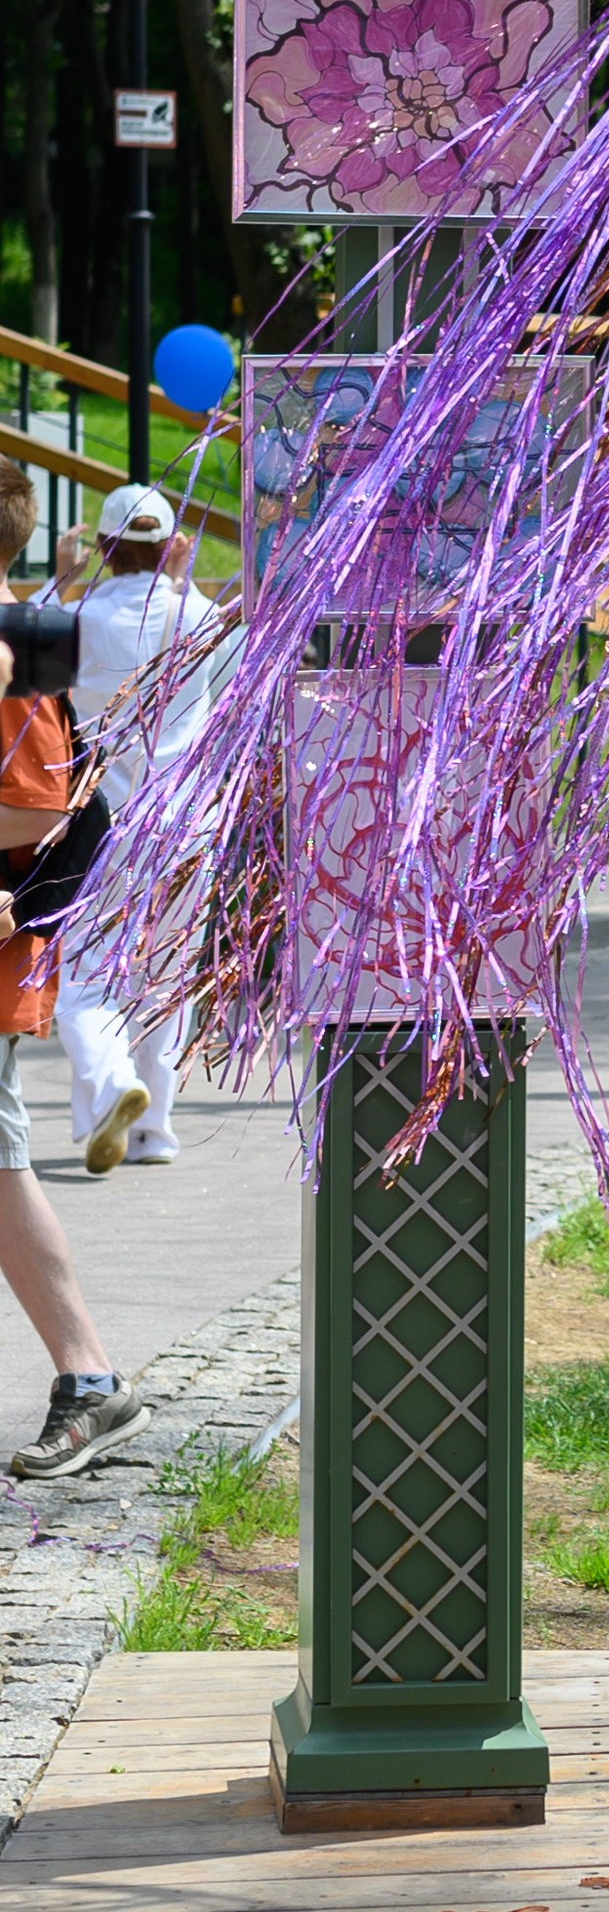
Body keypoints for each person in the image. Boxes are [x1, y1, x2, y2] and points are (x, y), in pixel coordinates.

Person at [0, 582, 150, 1483]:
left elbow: (44, 809)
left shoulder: (11, 658)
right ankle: (90, 1377)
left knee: (3, 1172)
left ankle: (91, 1377)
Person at [52, 486, 223, 1170]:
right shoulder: (198, 614)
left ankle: (113, 1084)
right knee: (167, 976)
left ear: (102, 547)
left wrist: (62, 582)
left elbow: (25, 661)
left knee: (83, 978)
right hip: (187, 823)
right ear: (171, 546)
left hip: (105, 827)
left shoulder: (79, 619)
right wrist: (180, 579)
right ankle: (154, 1131)